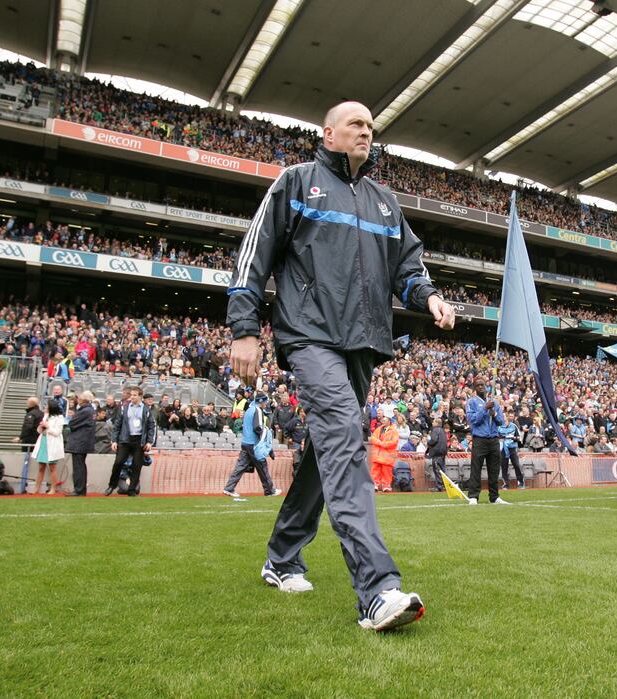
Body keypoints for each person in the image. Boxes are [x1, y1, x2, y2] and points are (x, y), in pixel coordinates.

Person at [226, 101, 455, 631]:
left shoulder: (384, 202)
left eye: (371, 128)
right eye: (357, 125)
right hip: (308, 335)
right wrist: (244, 328)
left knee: (327, 447)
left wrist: (430, 299)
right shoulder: (296, 182)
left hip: (363, 341)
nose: (366, 133)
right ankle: (378, 590)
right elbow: (254, 252)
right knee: (344, 438)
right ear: (328, 133)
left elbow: (408, 267)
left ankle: (282, 557)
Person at [223, 393, 282, 498]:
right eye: (265, 402)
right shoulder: (257, 410)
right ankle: (269, 490)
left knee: (240, 467)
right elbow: (257, 428)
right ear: (261, 402)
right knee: (262, 466)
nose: (266, 404)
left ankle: (229, 488)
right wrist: (265, 438)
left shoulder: (250, 409)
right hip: (253, 444)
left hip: (245, 443)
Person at [106, 387, 156, 496]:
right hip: (125, 439)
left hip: (139, 440)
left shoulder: (146, 409)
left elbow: (151, 426)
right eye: (131, 395)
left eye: (134, 395)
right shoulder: (125, 408)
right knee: (118, 462)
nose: (132, 397)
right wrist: (114, 440)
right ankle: (112, 484)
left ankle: (132, 489)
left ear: (140, 396)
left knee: (137, 465)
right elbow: (117, 425)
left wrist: (149, 442)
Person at [465, 379, 508, 505]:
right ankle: (473, 496)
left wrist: (494, 414)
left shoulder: (494, 402)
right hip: (479, 439)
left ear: (486, 387)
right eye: (477, 385)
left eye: (482, 385)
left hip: (493, 439)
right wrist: (484, 409)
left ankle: (494, 496)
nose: (480, 387)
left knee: (494, 469)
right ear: (474, 388)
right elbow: (473, 420)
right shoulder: (471, 402)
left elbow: (500, 422)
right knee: (476, 468)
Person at [31, 398, 65, 495]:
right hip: (43, 442)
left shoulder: (60, 418)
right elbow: (39, 431)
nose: (45, 408)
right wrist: (41, 426)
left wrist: (48, 426)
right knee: (41, 467)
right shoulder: (45, 416)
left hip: (52, 444)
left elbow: (57, 432)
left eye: (47, 406)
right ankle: (36, 489)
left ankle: (53, 489)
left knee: (52, 467)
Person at [65, 391, 96, 496]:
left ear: (83, 399)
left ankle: (78, 490)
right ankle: (80, 489)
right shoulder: (90, 410)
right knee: (81, 466)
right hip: (84, 442)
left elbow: (72, 423)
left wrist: (73, 418)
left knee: (78, 467)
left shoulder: (85, 411)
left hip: (80, 442)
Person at [14, 396, 43, 493]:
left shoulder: (31, 414)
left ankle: (25, 484)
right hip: (38, 441)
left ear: (30, 404)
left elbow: (28, 426)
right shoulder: (41, 413)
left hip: (29, 441)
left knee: (27, 462)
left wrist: (20, 437)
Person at [368, 415, 399, 493]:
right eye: (383, 420)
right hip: (378, 454)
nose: (383, 422)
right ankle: (375, 485)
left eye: (384, 420)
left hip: (387, 455)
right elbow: (373, 438)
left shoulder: (394, 431)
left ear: (389, 422)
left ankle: (386, 486)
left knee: (387, 471)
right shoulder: (378, 429)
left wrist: (384, 444)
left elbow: (394, 442)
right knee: (375, 470)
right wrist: (380, 443)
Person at [498, 409, 525, 489]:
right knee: (504, 466)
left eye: (503, 417)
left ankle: (520, 482)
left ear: (506, 417)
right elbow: (496, 437)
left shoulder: (513, 426)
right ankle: (506, 484)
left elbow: (519, 437)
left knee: (516, 465)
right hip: (503, 449)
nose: (502, 418)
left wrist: (513, 438)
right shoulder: (499, 427)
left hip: (512, 448)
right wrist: (500, 438)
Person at [426, 417, 448, 491]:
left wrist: (428, 442)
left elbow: (434, 440)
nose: (432, 423)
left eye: (433, 422)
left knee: (437, 470)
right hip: (443, 453)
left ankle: (439, 486)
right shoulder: (443, 431)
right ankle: (444, 485)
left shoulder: (435, 430)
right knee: (442, 470)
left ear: (436, 423)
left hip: (436, 452)